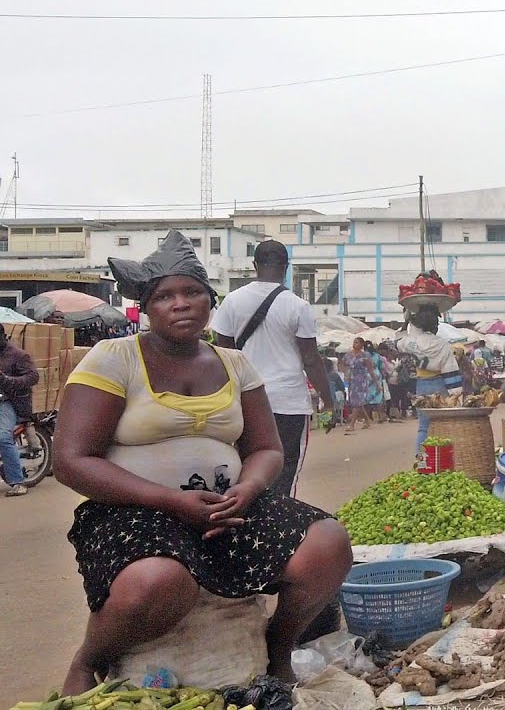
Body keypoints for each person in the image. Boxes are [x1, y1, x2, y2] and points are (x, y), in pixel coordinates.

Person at [56, 233, 351, 692]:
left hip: (228, 508)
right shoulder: (114, 358)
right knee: (158, 583)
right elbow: (72, 460)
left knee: (327, 544)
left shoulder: (234, 363)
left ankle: (278, 647)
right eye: (165, 296)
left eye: (192, 292)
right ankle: (88, 659)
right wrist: (171, 501)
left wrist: (250, 488)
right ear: (146, 308)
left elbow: (266, 449)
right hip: (135, 510)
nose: (181, 304)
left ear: (211, 302)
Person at [212, 240, 334, 497]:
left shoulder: (232, 301)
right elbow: (311, 359)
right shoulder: (298, 306)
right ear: (285, 267)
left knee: (244, 469)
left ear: (254, 265)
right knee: (284, 471)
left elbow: (223, 355)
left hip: (245, 401)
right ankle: (279, 529)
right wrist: (328, 400)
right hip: (288, 403)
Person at [397, 305, 463, 449]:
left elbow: (399, 342)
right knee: (442, 424)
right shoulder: (442, 344)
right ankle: (440, 459)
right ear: (435, 326)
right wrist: (456, 395)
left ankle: (420, 459)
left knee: (423, 426)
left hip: (421, 386)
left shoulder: (410, 342)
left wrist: (406, 321)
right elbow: (450, 371)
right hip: (439, 385)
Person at [0, 326, 38, 497]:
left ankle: (18, 482)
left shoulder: (18, 355)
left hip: (8, 401)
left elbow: (33, 377)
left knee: (2, 437)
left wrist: (8, 381)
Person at [327, 359, 346, 425]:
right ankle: (339, 417)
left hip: (323, 397)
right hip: (335, 397)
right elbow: (342, 387)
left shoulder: (321, 375)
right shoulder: (334, 375)